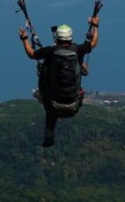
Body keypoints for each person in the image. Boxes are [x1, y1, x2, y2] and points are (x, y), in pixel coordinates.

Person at [19, 14, 99, 147]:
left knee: (50, 108)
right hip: (73, 104)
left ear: (57, 37)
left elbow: (31, 54)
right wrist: (95, 25)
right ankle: (50, 131)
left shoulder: (50, 51)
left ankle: (49, 132)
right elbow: (94, 42)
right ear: (70, 37)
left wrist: (24, 39)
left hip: (54, 104)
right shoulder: (79, 50)